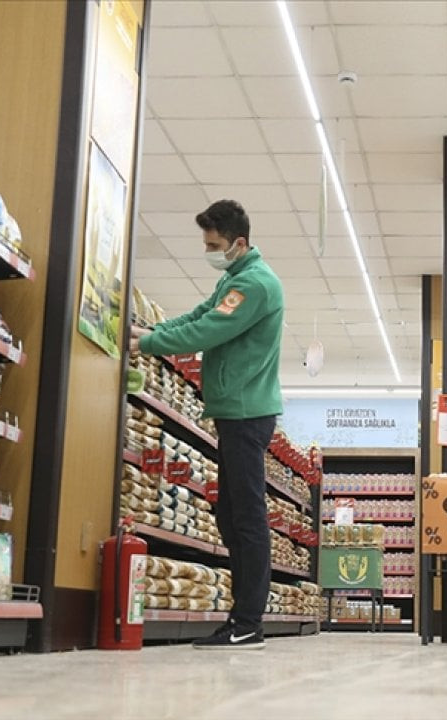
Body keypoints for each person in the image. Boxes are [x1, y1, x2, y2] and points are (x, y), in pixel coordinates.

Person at [132, 200, 284, 650]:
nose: (209, 251)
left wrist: (151, 344)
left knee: (247, 518)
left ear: (239, 242)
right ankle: (242, 616)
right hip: (234, 412)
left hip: (245, 413)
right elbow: (196, 316)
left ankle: (249, 622)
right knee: (231, 514)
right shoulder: (234, 279)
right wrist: (149, 331)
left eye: (214, 245)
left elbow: (207, 333)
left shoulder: (254, 284)